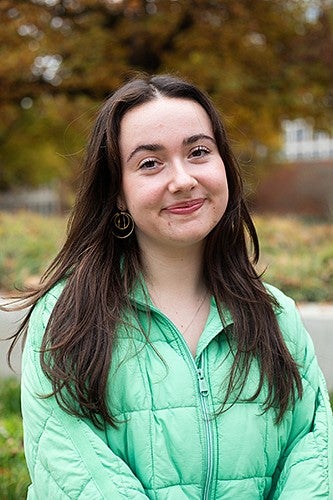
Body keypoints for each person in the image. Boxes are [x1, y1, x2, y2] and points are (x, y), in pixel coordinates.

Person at [7, 74, 333, 499]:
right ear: (118, 194)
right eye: (149, 163)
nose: (182, 179)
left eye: (198, 152)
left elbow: (312, 454)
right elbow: (76, 475)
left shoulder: (276, 316)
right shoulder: (67, 319)